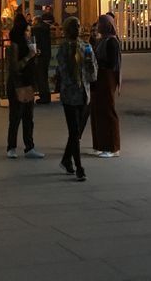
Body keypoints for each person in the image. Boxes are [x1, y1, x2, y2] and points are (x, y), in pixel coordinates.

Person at [52, 16, 96, 182]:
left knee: (76, 132)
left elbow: (92, 72)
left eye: (78, 26)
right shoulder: (64, 49)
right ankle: (78, 166)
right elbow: (63, 70)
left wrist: (89, 63)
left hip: (84, 94)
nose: (77, 29)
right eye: (73, 26)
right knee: (74, 131)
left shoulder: (86, 47)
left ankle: (66, 159)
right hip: (70, 94)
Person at [5, 8, 44, 159]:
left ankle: (29, 146)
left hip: (27, 83)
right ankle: (11, 146)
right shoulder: (15, 46)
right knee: (16, 116)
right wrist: (29, 56)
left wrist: (34, 55)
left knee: (28, 116)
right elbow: (16, 67)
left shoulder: (27, 45)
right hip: (18, 83)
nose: (29, 34)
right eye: (27, 31)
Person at [90, 13, 122, 158]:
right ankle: (100, 144)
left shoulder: (111, 42)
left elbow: (112, 64)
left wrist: (97, 62)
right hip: (98, 78)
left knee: (107, 110)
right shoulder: (101, 40)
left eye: (100, 24)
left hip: (106, 79)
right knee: (97, 111)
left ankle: (112, 146)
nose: (98, 26)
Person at [32, 13, 53, 103]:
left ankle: (43, 96)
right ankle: (46, 95)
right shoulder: (46, 28)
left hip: (40, 54)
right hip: (47, 53)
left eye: (33, 21)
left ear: (36, 21)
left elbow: (34, 42)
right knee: (44, 75)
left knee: (41, 76)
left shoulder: (36, 30)